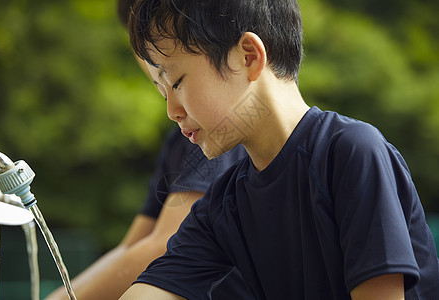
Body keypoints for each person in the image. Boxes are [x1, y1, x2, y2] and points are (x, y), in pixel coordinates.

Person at [119, 0, 439, 299]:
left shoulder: (352, 152)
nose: (171, 111)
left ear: (249, 57)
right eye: (163, 93)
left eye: (175, 82)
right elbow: (152, 290)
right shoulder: (223, 206)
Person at [45, 1, 249, 299]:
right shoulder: (182, 137)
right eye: (140, 41)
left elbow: (164, 244)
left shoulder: (219, 129)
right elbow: (132, 246)